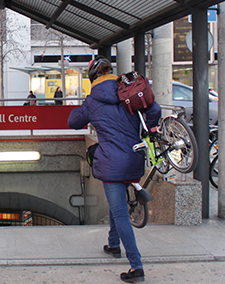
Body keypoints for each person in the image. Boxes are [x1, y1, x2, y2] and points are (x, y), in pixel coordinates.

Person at [67, 55, 160, 283]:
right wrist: (151, 128)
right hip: (134, 157)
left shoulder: (92, 100)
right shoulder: (127, 92)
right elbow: (155, 109)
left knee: (119, 213)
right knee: (117, 203)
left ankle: (136, 267)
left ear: (92, 79)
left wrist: (86, 108)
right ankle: (113, 244)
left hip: (111, 162)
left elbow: (73, 122)